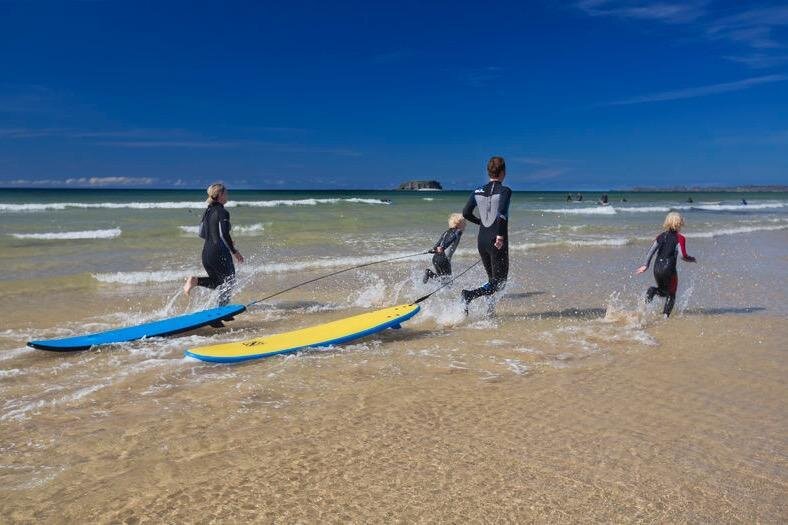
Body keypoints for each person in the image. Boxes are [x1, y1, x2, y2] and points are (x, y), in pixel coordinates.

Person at [461, 156, 512, 309]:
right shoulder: (505, 191)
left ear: (488, 172)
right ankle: (469, 295)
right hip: (497, 241)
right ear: (503, 172)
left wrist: (481, 223)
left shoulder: (477, 191)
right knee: (500, 282)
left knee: (492, 280)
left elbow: (466, 213)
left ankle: (490, 311)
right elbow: (502, 213)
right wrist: (500, 236)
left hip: (482, 240)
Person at [183, 183, 244, 307]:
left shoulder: (207, 211)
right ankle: (223, 311)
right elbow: (224, 234)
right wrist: (234, 251)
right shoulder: (222, 212)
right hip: (218, 253)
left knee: (218, 283)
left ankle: (196, 281)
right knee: (229, 282)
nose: (227, 196)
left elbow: (202, 233)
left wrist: (219, 240)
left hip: (206, 254)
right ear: (220, 195)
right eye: (226, 193)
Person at [636, 212, 696, 318]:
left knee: (662, 290)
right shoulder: (680, 238)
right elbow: (683, 256)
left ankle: (651, 293)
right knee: (671, 294)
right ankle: (665, 317)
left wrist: (646, 265)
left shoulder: (661, 236)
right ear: (680, 223)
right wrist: (691, 259)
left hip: (657, 268)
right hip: (669, 268)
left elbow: (651, 252)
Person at [423, 213, 466, 283]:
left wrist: (433, 249)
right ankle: (429, 273)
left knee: (442, 280)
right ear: (458, 224)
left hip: (436, 258)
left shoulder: (446, 232)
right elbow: (452, 238)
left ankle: (429, 273)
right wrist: (443, 247)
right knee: (448, 283)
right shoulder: (458, 231)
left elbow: (437, 245)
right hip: (444, 260)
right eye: (464, 223)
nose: (465, 225)